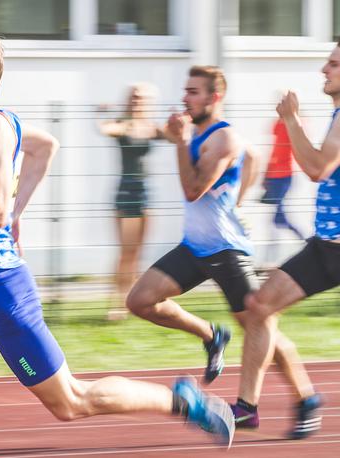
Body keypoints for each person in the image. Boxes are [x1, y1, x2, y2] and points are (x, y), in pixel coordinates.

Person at [0, 30, 235, 458]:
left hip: (0, 296)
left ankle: (182, 401)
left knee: (72, 402)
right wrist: (17, 208)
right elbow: (44, 147)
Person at [124, 66, 316, 433]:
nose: (185, 97)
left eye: (193, 92)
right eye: (185, 90)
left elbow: (193, 189)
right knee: (140, 301)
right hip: (195, 247)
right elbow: (251, 158)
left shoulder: (224, 139)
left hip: (227, 251)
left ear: (214, 98)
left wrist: (180, 142)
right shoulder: (195, 131)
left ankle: (306, 397)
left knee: (262, 328)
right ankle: (212, 335)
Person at [233, 44, 340, 440]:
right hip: (327, 246)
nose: (323, 69)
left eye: (333, 63)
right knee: (259, 306)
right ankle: (248, 408)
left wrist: (292, 119)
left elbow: (315, 168)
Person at [98, 83, 162, 320]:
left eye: (142, 97)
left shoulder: (152, 127)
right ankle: (117, 303)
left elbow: (177, 137)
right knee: (126, 253)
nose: (137, 100)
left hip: (147, 192)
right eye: (134, 97)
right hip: (127, 192)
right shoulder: (123, 124)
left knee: (139, 252)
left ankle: (133, 302)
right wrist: (103, 113)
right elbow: (105, 129)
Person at [260, 111, 305, 264]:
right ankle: (304, 243)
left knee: (278, 218)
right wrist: (266, 175)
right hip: (274, 177)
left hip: (284, 176)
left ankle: (306, 243)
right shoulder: (278, 124)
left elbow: (295, 147)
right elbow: (274, 150)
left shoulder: (293, 124)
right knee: (277, 219)